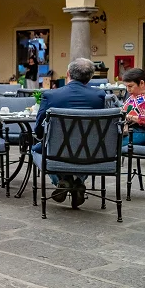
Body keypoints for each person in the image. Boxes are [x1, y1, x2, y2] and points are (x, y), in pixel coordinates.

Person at [33, 58, 106, 206]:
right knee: (85, 150)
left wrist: (40, 136)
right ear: (91, 77)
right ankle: (78, 181)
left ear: (68, 73)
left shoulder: (51, 95)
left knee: (36, 150)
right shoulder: (98, 96)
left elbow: (39, 128)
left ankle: (62, 180)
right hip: (89, 151)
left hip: (57, 150)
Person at [121, 68, 145, 146]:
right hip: (131, 129)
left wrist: (130, 117)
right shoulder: (132, 96)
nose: (128, 89)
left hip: (141, 131)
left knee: (114, 144)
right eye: (126, 87)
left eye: (130, 86)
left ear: (141, 83)